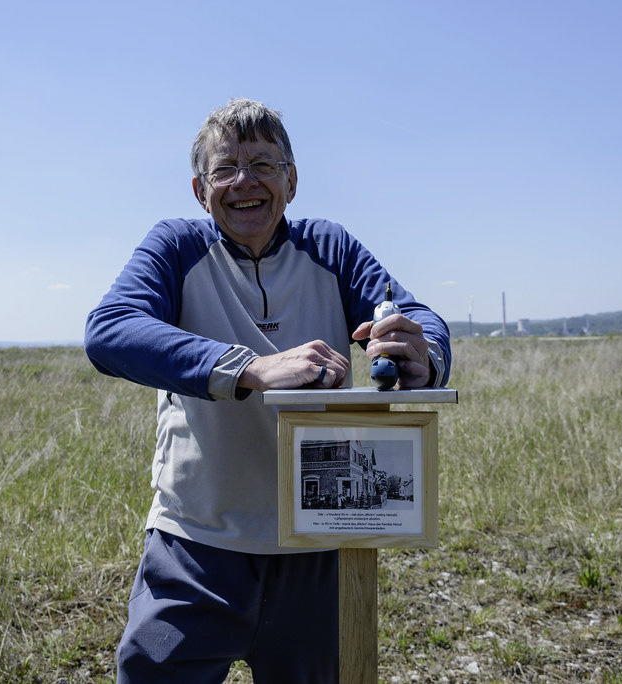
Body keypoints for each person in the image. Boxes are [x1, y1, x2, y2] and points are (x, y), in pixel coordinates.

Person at [84, 98, 451, 684]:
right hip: (193, 547)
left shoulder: (330, 247)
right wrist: (249, 368)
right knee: (150, 668)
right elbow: (110, 331)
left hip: (319, 548)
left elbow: (414, 316)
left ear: (293, 179)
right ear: (200, 189)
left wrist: (421, 356)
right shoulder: (176, 247)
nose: (244, 182)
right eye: (225, 168)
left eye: (264, 164)